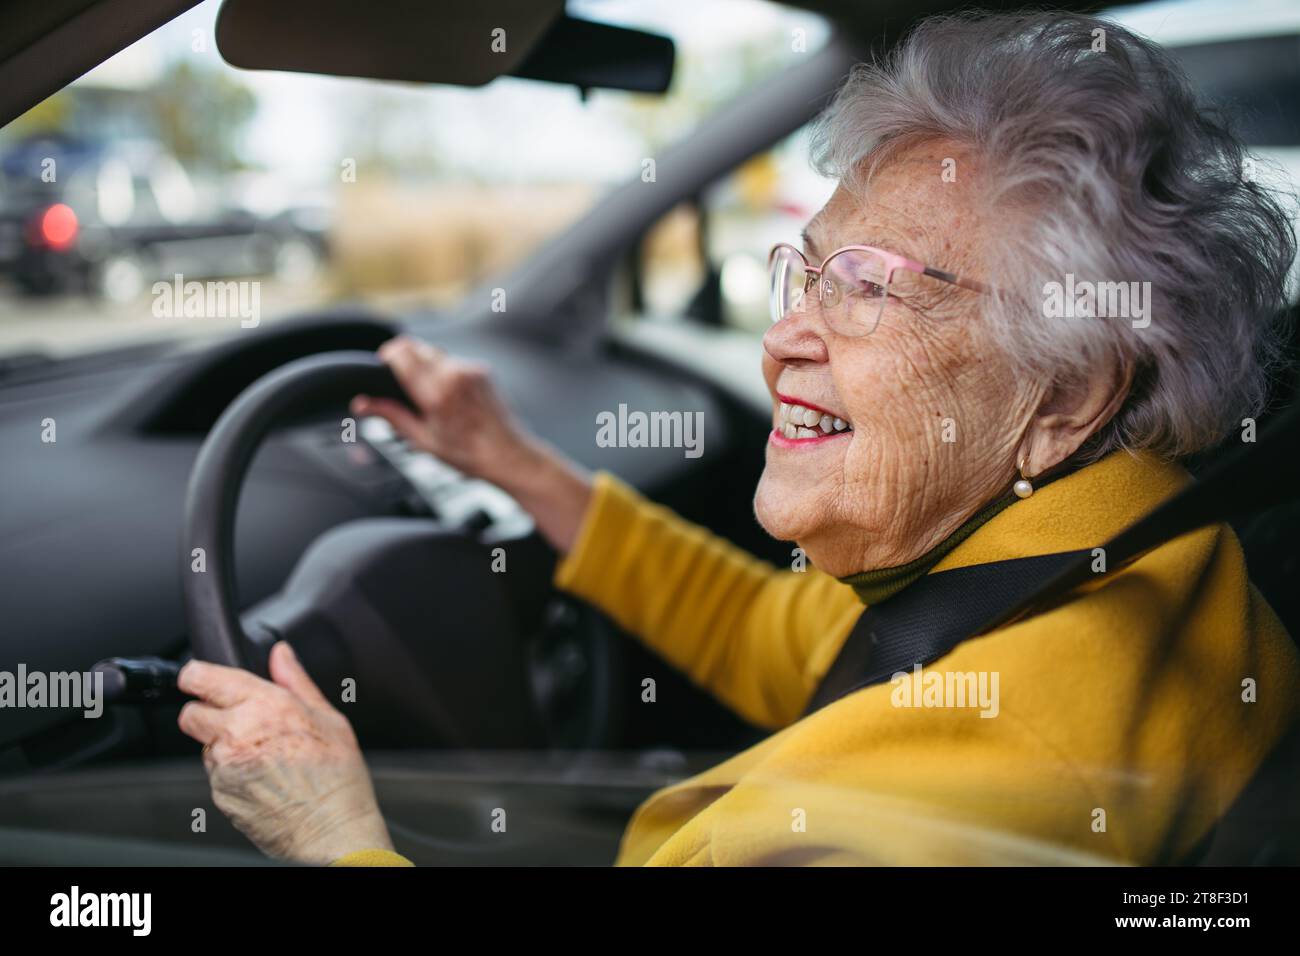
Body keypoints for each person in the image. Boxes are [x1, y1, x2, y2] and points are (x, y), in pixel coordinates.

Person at [177, 10, 1300, 866]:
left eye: (866, 287)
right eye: (802, 271)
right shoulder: (1114, 533)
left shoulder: (899, 821)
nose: (784, 338)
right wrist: (517, 465)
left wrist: (336, 833)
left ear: (1064, 395)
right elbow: (783, 635)